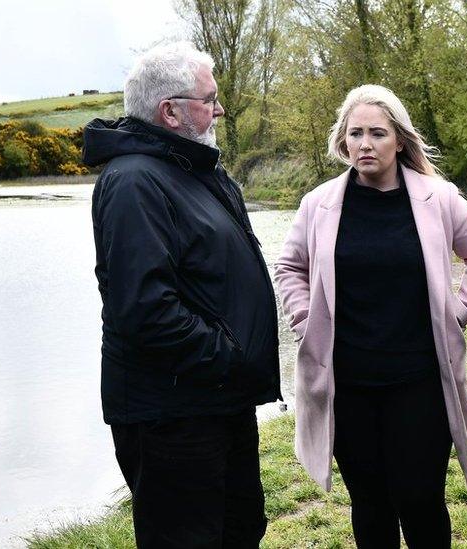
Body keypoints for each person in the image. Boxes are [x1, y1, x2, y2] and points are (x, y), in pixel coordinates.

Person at [275, 84, 467, 548]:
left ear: (398, 139)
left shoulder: (437, 198)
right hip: (347, 383)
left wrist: (459, 312)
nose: (365, 143)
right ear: (343, 141)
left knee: (420, 500)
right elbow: (288, 267)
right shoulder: (318, 204)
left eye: (377, 133)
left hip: (418, 381)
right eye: (355, 133)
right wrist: (305, 319)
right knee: (370, 502)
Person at [82, 42, 281, 549]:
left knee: (239, 529)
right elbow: (144, 309)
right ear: (169, 111)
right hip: (172, 413)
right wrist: (228, 355)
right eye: (208, 98)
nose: (219, 109)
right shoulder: (134, 182)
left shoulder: (193, 169)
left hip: (215, 400)